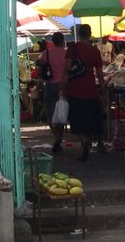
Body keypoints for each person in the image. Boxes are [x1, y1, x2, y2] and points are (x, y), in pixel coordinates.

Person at [60, 24, 107, 161]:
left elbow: (67, 68)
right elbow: (99, 74)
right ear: (90, 33)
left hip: (74, 89)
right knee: (90, 119)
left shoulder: (73, 48)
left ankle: (84, 141)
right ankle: (85, 145)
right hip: (91, 90)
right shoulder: (95, 51)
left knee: (76, 119)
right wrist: (103, 91)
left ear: (79, 34)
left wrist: (62, 86)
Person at [40, 31, 68, 153]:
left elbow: (40, 66)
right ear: (63, 41)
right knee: (62, 112)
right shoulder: (67, 54)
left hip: (50, 85)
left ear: (52, 41)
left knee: (50, 113)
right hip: (64, 85)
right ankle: (59, 137)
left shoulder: (47, 54)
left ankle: (57, 138)